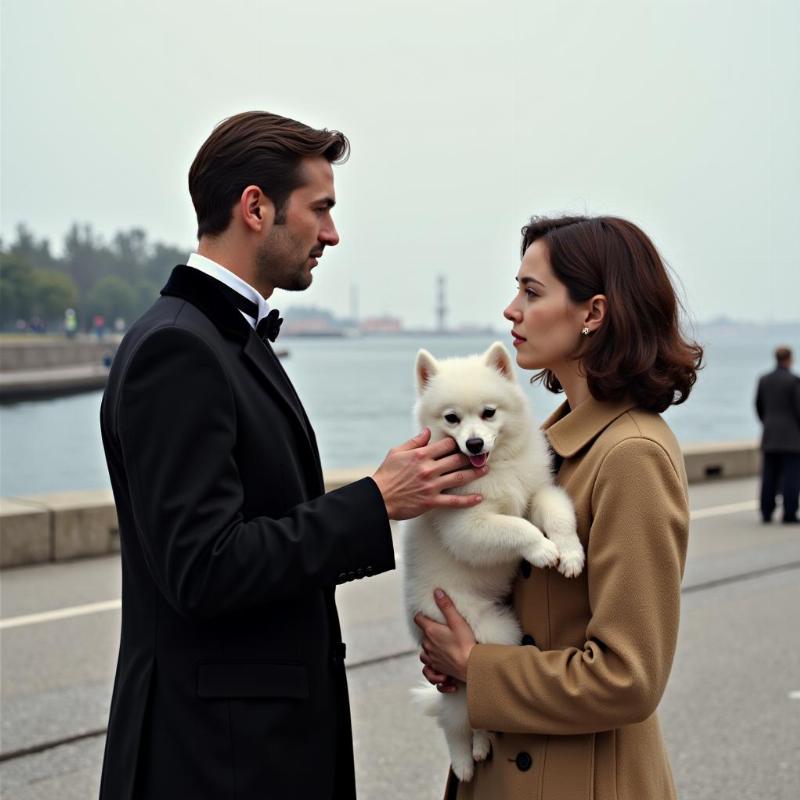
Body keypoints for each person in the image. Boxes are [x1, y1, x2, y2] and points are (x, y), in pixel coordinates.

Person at [98, 111, 487, 800]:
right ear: (255, 208)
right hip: (215, 761)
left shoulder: (226, 337)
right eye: (321, 209)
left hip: (248, 746)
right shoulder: (179, 349)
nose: (332, 234)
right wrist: (375, 500)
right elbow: (204, 568)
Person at [414, 215, 704, 800]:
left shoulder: (631, 455)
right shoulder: (545, 444)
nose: (511, 310)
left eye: (531, 291)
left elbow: (630, 679)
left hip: (578, 779)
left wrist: (478, 666)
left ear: (592, 313)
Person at [755, 346, 800, 524]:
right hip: (793, 439)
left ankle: (766, 512)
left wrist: (768, 424)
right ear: (790, 358)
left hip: (770, 436)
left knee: (769, 476)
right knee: (791, 477)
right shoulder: (794, 381)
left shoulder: (764, 380)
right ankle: (789, 513)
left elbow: (759, 406)